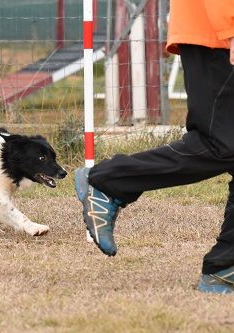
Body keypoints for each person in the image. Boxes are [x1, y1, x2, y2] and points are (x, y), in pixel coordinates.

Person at [75, 0, 234, 294]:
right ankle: (108, 182)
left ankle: (226, 267)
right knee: (221, 145)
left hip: (217, 31)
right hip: (217, 34)